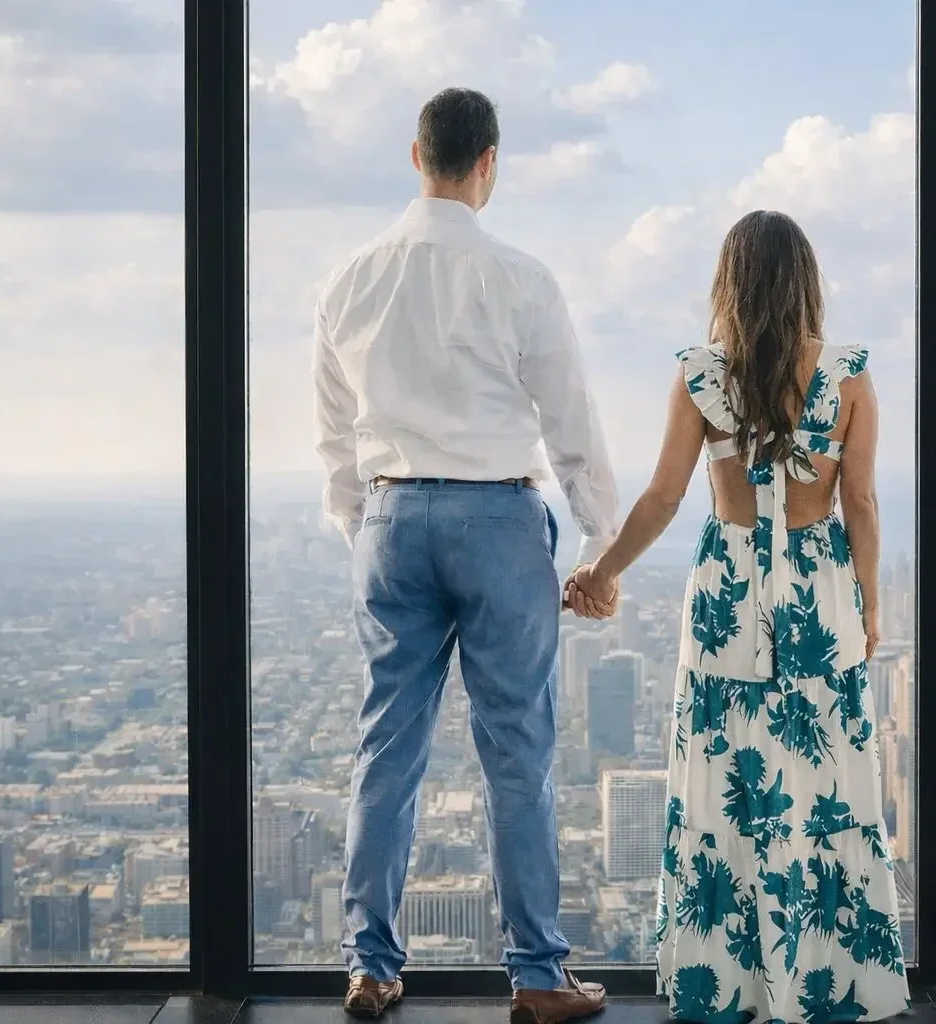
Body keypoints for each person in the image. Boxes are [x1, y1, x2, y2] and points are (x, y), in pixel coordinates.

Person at [314, 86, 619, 1023]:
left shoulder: (351, 277)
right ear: (490, 162)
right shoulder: (522, 277)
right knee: (517, 754)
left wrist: (361, 525)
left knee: (386, 750)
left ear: (417, 156)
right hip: (496, 522)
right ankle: (535, 976)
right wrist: (602, 546)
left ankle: (370, 966)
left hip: (392, 517)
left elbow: (333, 434)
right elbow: (571, 423)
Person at [565, 211, 910, 1022]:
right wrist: (868, 603)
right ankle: (826, 985)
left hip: (727, 600)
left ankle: (726, 987)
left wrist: (599, 572)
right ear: (806, 280)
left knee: (725, 790)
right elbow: (857, 499)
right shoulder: (851, 373)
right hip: (817, 594)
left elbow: (662, 498)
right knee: (824, 783)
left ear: (730, 281)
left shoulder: (698, 373)